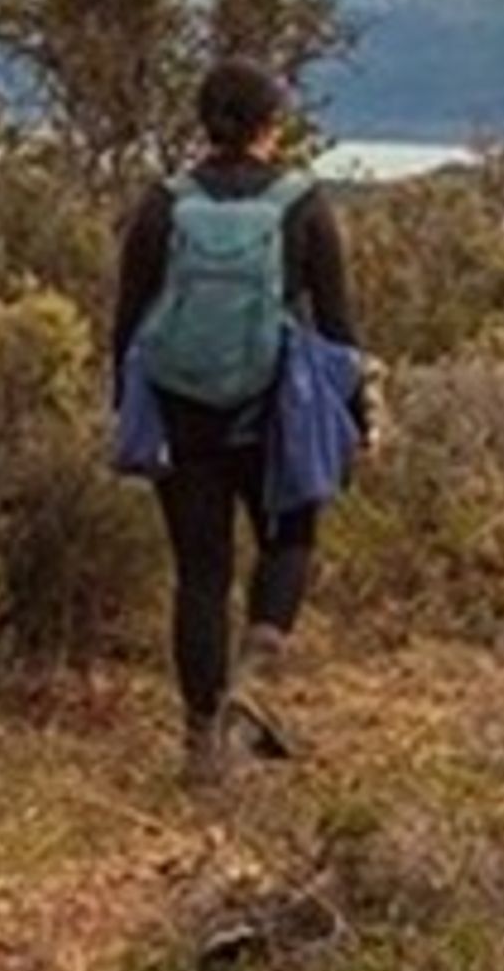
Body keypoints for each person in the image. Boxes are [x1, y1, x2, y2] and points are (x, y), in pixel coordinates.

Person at [108, 57, 361, 790]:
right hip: (273, 414)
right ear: (270, 126)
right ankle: (254, 676)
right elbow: (339, 329)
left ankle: (201, 748)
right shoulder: (302, 205)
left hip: (181, 416)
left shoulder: (162, 204)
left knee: (200, 573)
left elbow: (128, 324)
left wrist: (131, 412)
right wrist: (352, 418)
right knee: (292, 536)